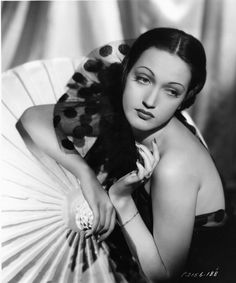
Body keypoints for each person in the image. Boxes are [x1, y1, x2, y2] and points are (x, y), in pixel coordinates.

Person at [16, 28, 228, 282]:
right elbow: (33, 118)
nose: (150, 101)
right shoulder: (119, 110)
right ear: (126, 72)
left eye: (171, 91)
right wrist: (87, 177)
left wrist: (122, 200)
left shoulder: (175, 167)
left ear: (185, 98)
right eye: (143, 79)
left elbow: (164, 276)